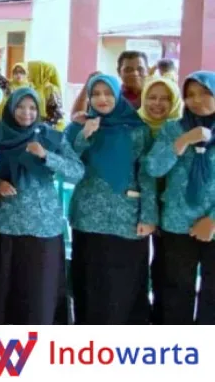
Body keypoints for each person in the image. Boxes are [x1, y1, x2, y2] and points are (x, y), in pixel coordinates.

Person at [0, 87, 83, 325]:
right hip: (7, 223)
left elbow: (76, 171)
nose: (26, 113)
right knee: (8, 288)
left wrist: (46, 155)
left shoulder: (50, 137)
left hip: (43, 225)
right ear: (10, 108)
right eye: (20, 106)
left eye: (32, 108)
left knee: (40, 290)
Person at [65, 74, 154, 324]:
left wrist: (149, 216)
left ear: (118, 95)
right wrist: (84, 136)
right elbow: (66, 168)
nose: (102, 99)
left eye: (108, 93)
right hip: (87, 220)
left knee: (123, 287)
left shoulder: (138, 130)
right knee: (89, 284)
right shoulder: (77, 128)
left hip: (127, 220)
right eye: (95, 94)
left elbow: (147, 176)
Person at [144, 71, 215, 324]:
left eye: (205, 93)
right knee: (175, 291)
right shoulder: (173, 128)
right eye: (190, 95)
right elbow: (153, 168)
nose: (196, 100)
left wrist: (213, 220)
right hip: (176, 223)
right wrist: (183, 140)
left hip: (212, 224)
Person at [136, 75, 182, 324]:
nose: (157, 103)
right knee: (139, 267)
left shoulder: (182, 128)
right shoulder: (134, 126)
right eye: (152, 97)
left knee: (168, 269)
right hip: (138, 207)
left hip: (173, 210)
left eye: (165, 98)